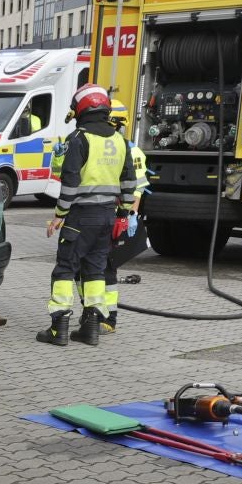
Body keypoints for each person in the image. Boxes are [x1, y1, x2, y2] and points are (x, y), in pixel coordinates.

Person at [37, 84, 134, 348]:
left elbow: (70, 181)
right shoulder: (120, 140)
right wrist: (123, 213)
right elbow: (129, 181)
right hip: (107, 217)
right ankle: (90, 328)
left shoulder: (79, 138)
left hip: (80, 217)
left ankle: (58, 327)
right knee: (95, 271)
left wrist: (59, 214)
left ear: (80, 109)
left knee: (65, 269)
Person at [103, 99, 148, 332]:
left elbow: (137, 188)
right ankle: (94, 312)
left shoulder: (132, 150)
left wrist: (130, 214)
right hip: (98, 214)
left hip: (116, 215)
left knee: (107, 267)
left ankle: (108, 317)